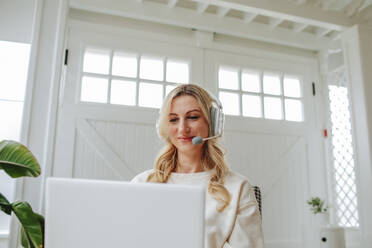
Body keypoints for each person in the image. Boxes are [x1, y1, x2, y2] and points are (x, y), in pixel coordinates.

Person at [131, 84, 264, 248]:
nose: (182, 128)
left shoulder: (238, 187)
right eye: (173, 119)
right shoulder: (142, 183)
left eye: (193, 117)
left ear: (213, 123)